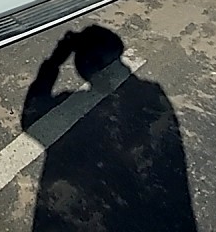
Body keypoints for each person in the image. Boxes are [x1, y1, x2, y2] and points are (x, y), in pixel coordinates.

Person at [21, 25, 199, 231]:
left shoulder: (80, 104)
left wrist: (54, 61)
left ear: (87, 65)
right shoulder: (153, 94)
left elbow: (31, 123)